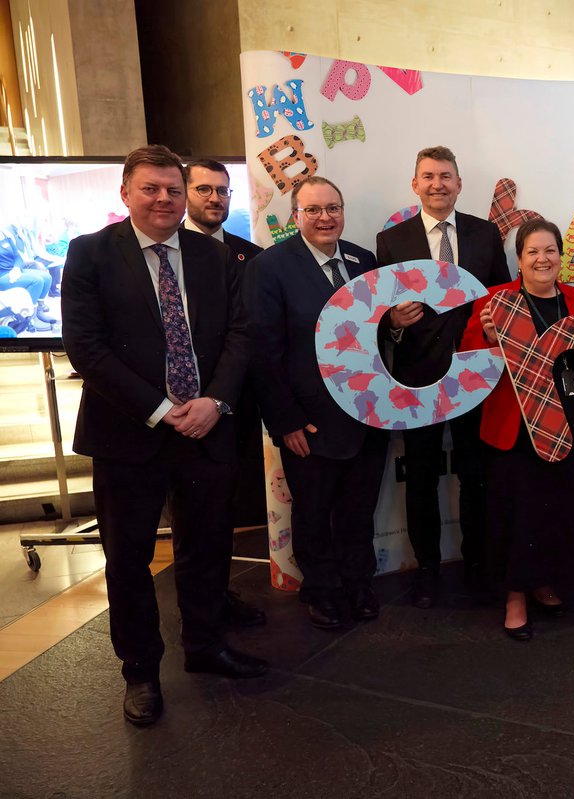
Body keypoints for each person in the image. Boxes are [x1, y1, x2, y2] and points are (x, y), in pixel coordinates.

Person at [61, 145, 267, 728]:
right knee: (129, 560)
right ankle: (141, 673)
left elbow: (240, 333)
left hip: (206, 428)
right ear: (125, 193)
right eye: (149, 188)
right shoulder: (90, 255)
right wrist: (159, 408)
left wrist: (216, 402)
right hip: (127, 434)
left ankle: (205, 647)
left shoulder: (213, 256)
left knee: (207, 549)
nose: (163, 199)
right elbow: (88, 349)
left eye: (173, 190)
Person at [247, 176, 389, 631]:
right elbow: (263, 351)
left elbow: (373, 332)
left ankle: (358, 583)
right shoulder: (270, 268)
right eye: (313, 210)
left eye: (333, 208)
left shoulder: (363, 260)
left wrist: (396, 321)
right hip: (308, 420)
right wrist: (285, 420)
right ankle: (322, 590)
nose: (325, 217)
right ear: (296, 217)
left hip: (366, 412)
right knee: (313, 510)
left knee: (358, 507)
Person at [377, 145, 510, 608]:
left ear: (458, 183)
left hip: (475, 376)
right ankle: (427, 572)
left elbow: (500, 296)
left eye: (446, 176)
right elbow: (378, 312)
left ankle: (478, 566)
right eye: (428, 176)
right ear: (415, 184)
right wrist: (393, 320)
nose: (437, 184)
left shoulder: (485, 233)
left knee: (477, 476)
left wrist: (495, 327)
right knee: (421, 480)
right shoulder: (392, 240)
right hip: (417, 380)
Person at [461, 219, 574, 640]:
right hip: (516, 425)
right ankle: (515, 596)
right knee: (517, 513)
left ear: (561, 256)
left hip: (573, 420)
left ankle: (544, 582)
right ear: (519, 260)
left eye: (550, 251)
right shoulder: (494, 300)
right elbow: (468, 362)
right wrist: (489, 338)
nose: (543, 259)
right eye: (533, 252)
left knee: (559, 509)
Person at [184, 158, 267, 627]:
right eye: (204, 190)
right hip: (183, 409)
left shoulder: (248, 255)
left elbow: (252, 331)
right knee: (193, 520)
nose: (215, 198)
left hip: (235, 405)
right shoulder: (166, 253)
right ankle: (198, 610)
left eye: (222, 191)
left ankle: (218, 598)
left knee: (223, 513)